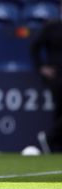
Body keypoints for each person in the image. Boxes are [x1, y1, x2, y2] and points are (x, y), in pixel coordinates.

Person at [31, 19, 62, 153]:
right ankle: (53, 143)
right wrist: (41, 67)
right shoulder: (52, 26)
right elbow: (34, 46)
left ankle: (50, 139)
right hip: (58, 74)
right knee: (59, 109)